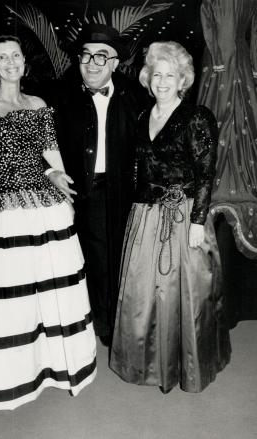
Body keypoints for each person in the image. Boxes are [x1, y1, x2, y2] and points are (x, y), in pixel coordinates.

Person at [0, 35, 96, 414]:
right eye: (2, 57)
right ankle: (5, 379)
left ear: (24, 62)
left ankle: (49, 368)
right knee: (6, 303)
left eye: (15, 55)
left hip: (44, 208)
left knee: (47, 294)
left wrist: (61, 184)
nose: (10, 62)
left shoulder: (37, 105)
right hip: (1, 212)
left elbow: (51, 159)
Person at [110, 41, 231, 393]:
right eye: (156, 74)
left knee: (188, 293)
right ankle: (149, 364)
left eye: (171, 75)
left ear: (183, 80)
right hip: (147, 215)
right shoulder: (141, 116)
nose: (162, 81)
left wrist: (197, 221)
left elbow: (207, 173)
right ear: (148, 78)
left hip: (184, 216)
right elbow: (139, 169)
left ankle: (189, 366)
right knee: (144, 293)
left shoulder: (197, 117)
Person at [46, 24, 147, 346]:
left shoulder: (136, 96)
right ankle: (95, 323)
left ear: (116, 63)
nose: (91, 63)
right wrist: (51, 174)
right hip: (77, 191)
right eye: (86, 55)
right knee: (89, 258)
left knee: (119, 257)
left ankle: (116, 323)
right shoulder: (59, 96)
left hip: (123, 191)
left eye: (101, 57)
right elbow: (33, 143)